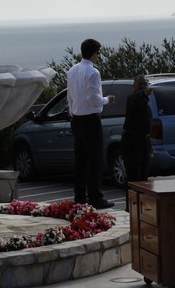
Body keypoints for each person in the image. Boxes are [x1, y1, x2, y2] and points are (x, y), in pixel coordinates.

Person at [66, 38, 115, 209]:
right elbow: (94, 100)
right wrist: (107, 100)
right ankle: (95, 197)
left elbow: (70, 97)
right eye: (98, 52)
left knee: (80, 160)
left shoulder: (72, 70)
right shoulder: (93, 73)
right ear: (94, 53)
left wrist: (73, 113)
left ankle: (79, 196)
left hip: (76, 119)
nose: (99, 56)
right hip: (90, 120)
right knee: (94, 159)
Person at [121, 76, 154, 187]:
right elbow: (136, 96)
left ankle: (142, 198)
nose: (142, 86)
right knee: (134, 177)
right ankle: (132, 198)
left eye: (144, 84)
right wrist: (144, 92)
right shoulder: (132, 98)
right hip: (131, 141)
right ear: (134, 86)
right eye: (140, 84)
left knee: (144, 177)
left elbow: (146, 125)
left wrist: (149, 145)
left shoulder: (145, 102)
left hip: (144, 140)